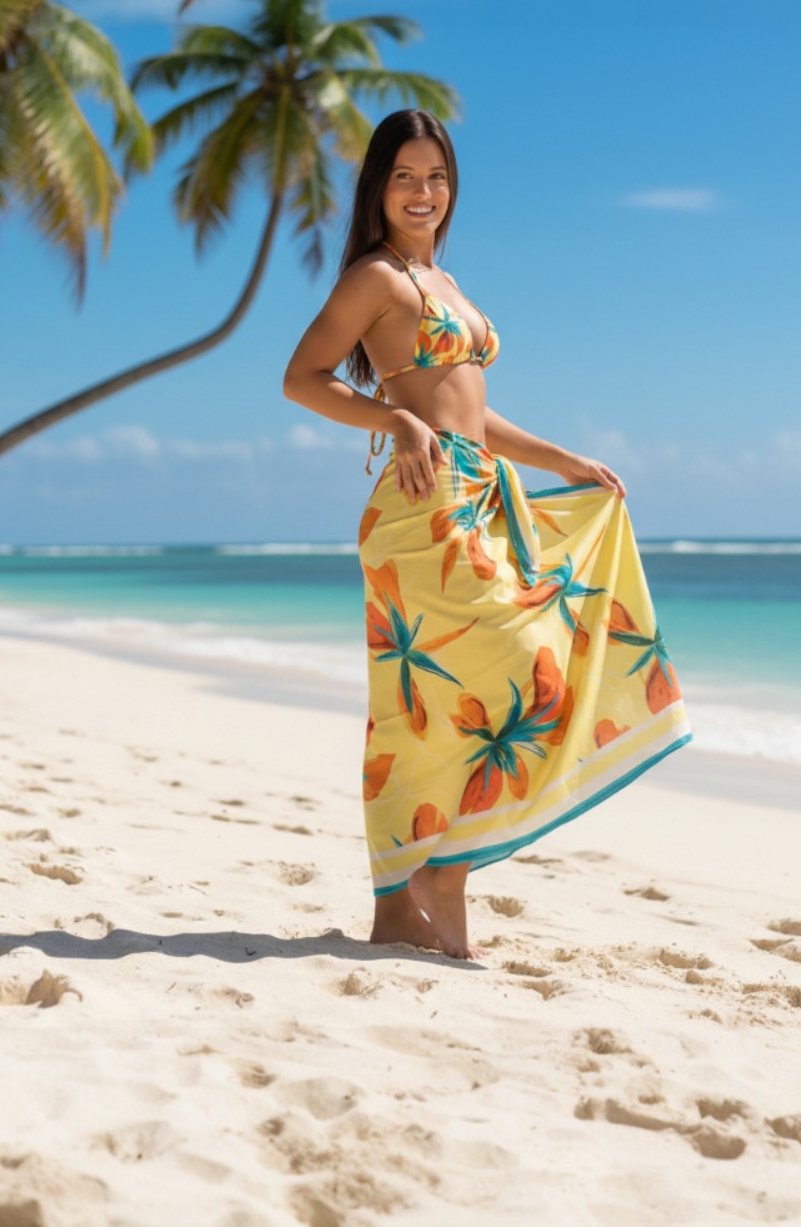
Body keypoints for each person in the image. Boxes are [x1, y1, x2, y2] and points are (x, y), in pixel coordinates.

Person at [282, 109, 692, 962]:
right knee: (520, 675)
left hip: (476, 493)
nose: (422, 193)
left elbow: (472, 414)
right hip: (422, 510)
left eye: (435, 177)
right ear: (378, 189)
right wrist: (395, 422)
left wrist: (566, 460)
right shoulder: (377, 279)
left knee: (420, 713)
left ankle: (399, 904)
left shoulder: (446, 283)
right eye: (404, 178)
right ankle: (445, 874)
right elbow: (302, 379)